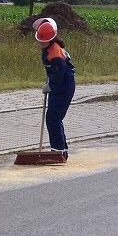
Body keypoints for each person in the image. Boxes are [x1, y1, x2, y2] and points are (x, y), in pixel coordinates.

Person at [34, 17, 76, 160]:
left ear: (51, 39)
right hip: (59, 86)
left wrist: (50, 86)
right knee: (54, 118)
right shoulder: (49, 48)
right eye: (40, 39)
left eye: (44, 40)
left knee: (53, 118)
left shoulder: (55, 52)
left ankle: (58, 152)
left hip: (64, 86)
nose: (41, 42)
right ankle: (61, 152)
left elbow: (59, 75)